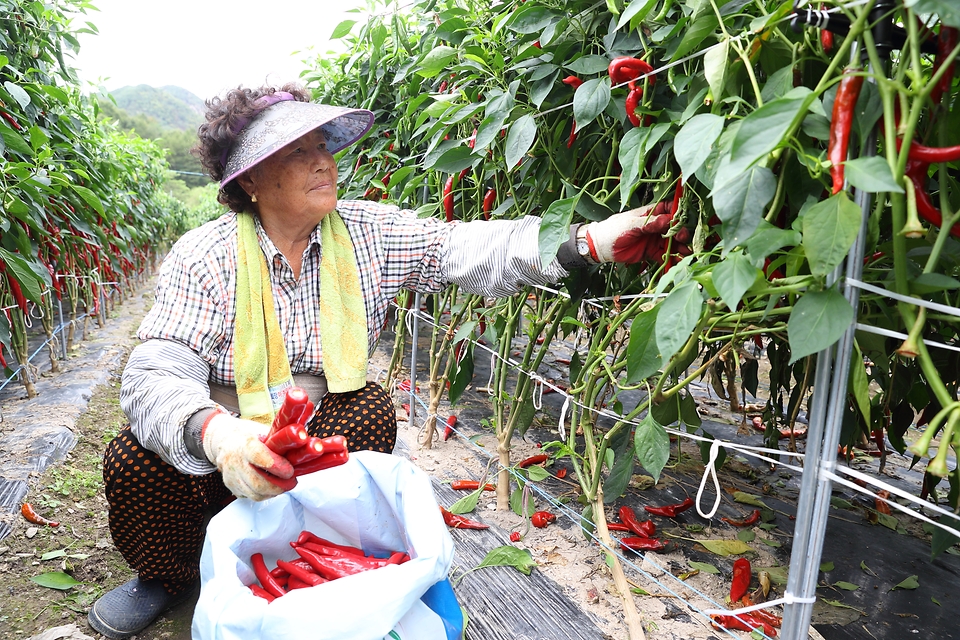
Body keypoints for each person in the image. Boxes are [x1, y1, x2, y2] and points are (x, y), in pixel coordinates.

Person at [87, 82, 688, 639]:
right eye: (297, 152)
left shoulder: (369, 234)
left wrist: (586, 243)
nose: (324, 161)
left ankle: (312, 548)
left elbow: (462, 248)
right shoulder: (205, 255)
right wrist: (219, 438)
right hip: (219, 426)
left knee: (368, 409)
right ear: (250, 182)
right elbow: (156, 370)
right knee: (136, 458)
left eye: (322, 145)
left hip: (305, 424)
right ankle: (166, 577)